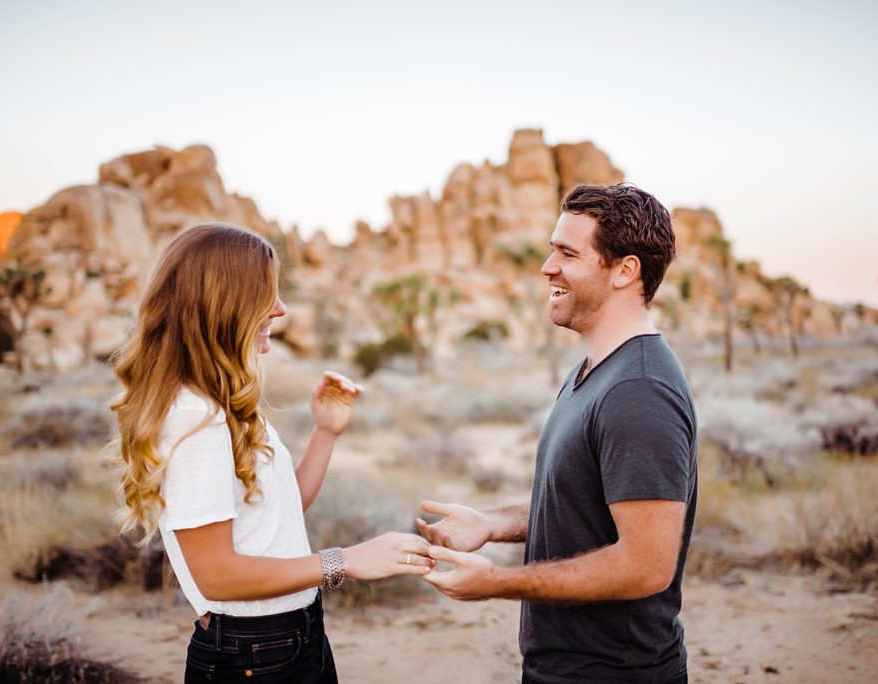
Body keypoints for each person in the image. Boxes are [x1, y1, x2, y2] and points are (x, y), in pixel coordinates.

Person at [111, 223, 433, 683]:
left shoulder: (224, 407)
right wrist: (345, 561)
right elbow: (216, 575)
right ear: (225, 304)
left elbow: (281, 510)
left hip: (292, 638)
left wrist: (326, 432)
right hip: (253, 654)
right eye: (266, 295)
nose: (280, 309)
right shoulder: (195, 419)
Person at [418, 184, 697, 684]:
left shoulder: (638, 390)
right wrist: (491, 524)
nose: (548, 267)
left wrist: (499, 582)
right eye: (553, 250)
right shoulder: (596, 369)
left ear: (625, 271)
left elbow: (646, 565)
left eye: (568, 253)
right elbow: (585, 507)